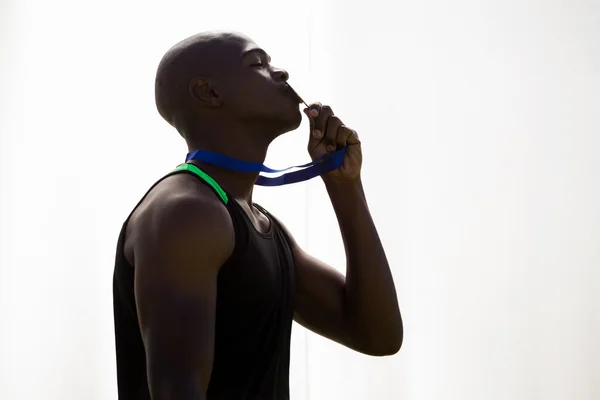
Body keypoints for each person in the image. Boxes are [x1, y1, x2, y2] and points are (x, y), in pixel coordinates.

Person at [112, 30, 403, 400]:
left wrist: (345, 187)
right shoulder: (186, 214)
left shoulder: (257, 223)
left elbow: (377, 335)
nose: (280, 73)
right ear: (208, 92)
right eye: (258, 63)